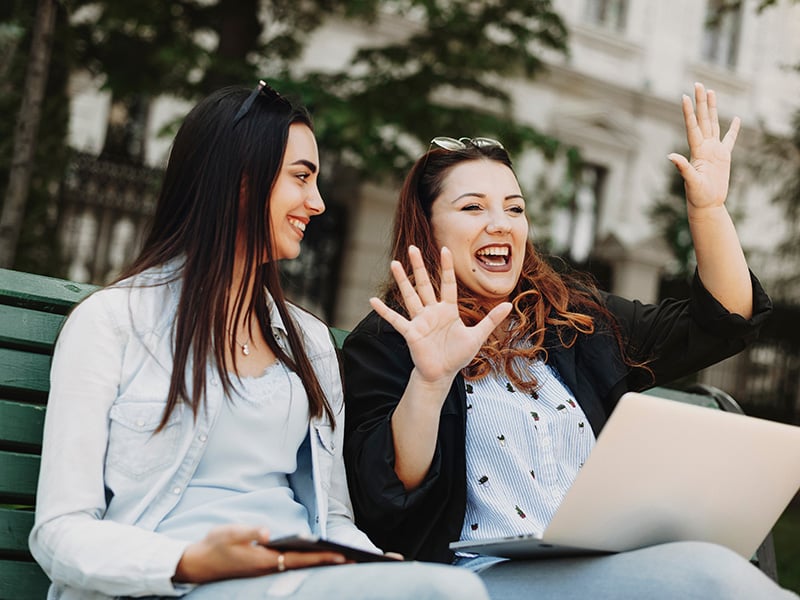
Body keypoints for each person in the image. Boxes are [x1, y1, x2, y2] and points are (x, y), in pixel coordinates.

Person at [29, 82, 490, 600]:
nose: (316, 203)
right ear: (239, 180)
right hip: (173, 585)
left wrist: (367, 565)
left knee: (445, 591)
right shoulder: (111, 324)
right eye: (301, 178)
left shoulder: (309, 342)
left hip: (294, 581)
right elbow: (59, 532)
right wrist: (191, 562)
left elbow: (332, 516)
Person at [342, 83, 798, 599]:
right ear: (426, 227)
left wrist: (709, 209)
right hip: (475, 581)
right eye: (473, 208)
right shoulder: (388, 340)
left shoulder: (570, 320)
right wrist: (430, 379)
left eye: (514, 209)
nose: (501, 224)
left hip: (597, 568)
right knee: (710, 577)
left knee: (710, 566)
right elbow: (386, 497)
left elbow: (724, 320)